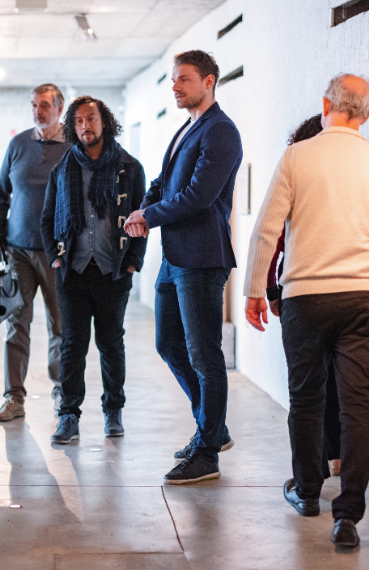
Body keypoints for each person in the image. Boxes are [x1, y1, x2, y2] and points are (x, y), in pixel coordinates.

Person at [243, 74, 369, 548]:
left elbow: (266, 229)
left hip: (305, 299)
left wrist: (255, 289)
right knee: (359, 405)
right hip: (364, 299)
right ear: (366, 114)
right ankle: (348, 516)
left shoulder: (298, 156)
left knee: (306, 399)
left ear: (326, 105)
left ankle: (306, 492)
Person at [124, 50, 243, 485]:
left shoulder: (221, 132)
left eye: (184, 80)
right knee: (168, 344)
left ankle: (208, 450)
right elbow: (163, 183)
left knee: (205, 355)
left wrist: (149, 218)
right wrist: (142, 209)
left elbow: (197, 196)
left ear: (209, 81)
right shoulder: (187, 128)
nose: (175, 86)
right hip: (174, 259)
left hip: (202, 259)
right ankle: (213, 425)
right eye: (174, 80)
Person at [40, 96, 147, 444]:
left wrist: (133, 261)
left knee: (111, 343)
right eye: (80, 120)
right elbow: (46, 220)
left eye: (92, 118)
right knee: (72, 345)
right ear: (73, 126)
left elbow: (141, 218)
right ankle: (68, 415)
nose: (86, 125)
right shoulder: (62, 169)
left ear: (105, 122)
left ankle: (113, 410)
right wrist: (56, 259)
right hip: (72, 270)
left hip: (112, 270)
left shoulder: (129, 168)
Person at [266, 115, 341, 479]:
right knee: (336, 384)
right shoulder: (345, 179)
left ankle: (312, 477)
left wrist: (267, 290)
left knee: (307, 390)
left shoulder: (296, 173)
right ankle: (334, 456)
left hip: (301, 293)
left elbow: (272, 237)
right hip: (346, 292)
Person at [0, 84, 71, 422]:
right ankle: (14, 398)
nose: (37, 111)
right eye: (33, 105)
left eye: (44, 105)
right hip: (18, 251)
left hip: (57, 253)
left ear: (59, 108)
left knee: (60, 325)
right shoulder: (18, 144)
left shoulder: (73, 146)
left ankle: (62, 393)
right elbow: (0, 194)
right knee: (16, 324)